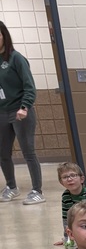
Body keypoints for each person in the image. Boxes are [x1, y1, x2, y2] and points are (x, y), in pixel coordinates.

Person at [0, 21, 44, 204]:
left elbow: (29, 87)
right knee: (3, 153)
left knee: (28, 152)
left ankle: (37, 191)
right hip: (2, 112)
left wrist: (24, 107)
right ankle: (11, 186)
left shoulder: (16, 58)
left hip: (20, 110)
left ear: (4, 36)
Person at [57, 162, 86, 246]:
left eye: (73, 175)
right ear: (61, 182)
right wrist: (67, 238)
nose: (69, 179)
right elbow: (66, 220)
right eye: (65, 177)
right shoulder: (65, 196)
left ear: (82, 179)